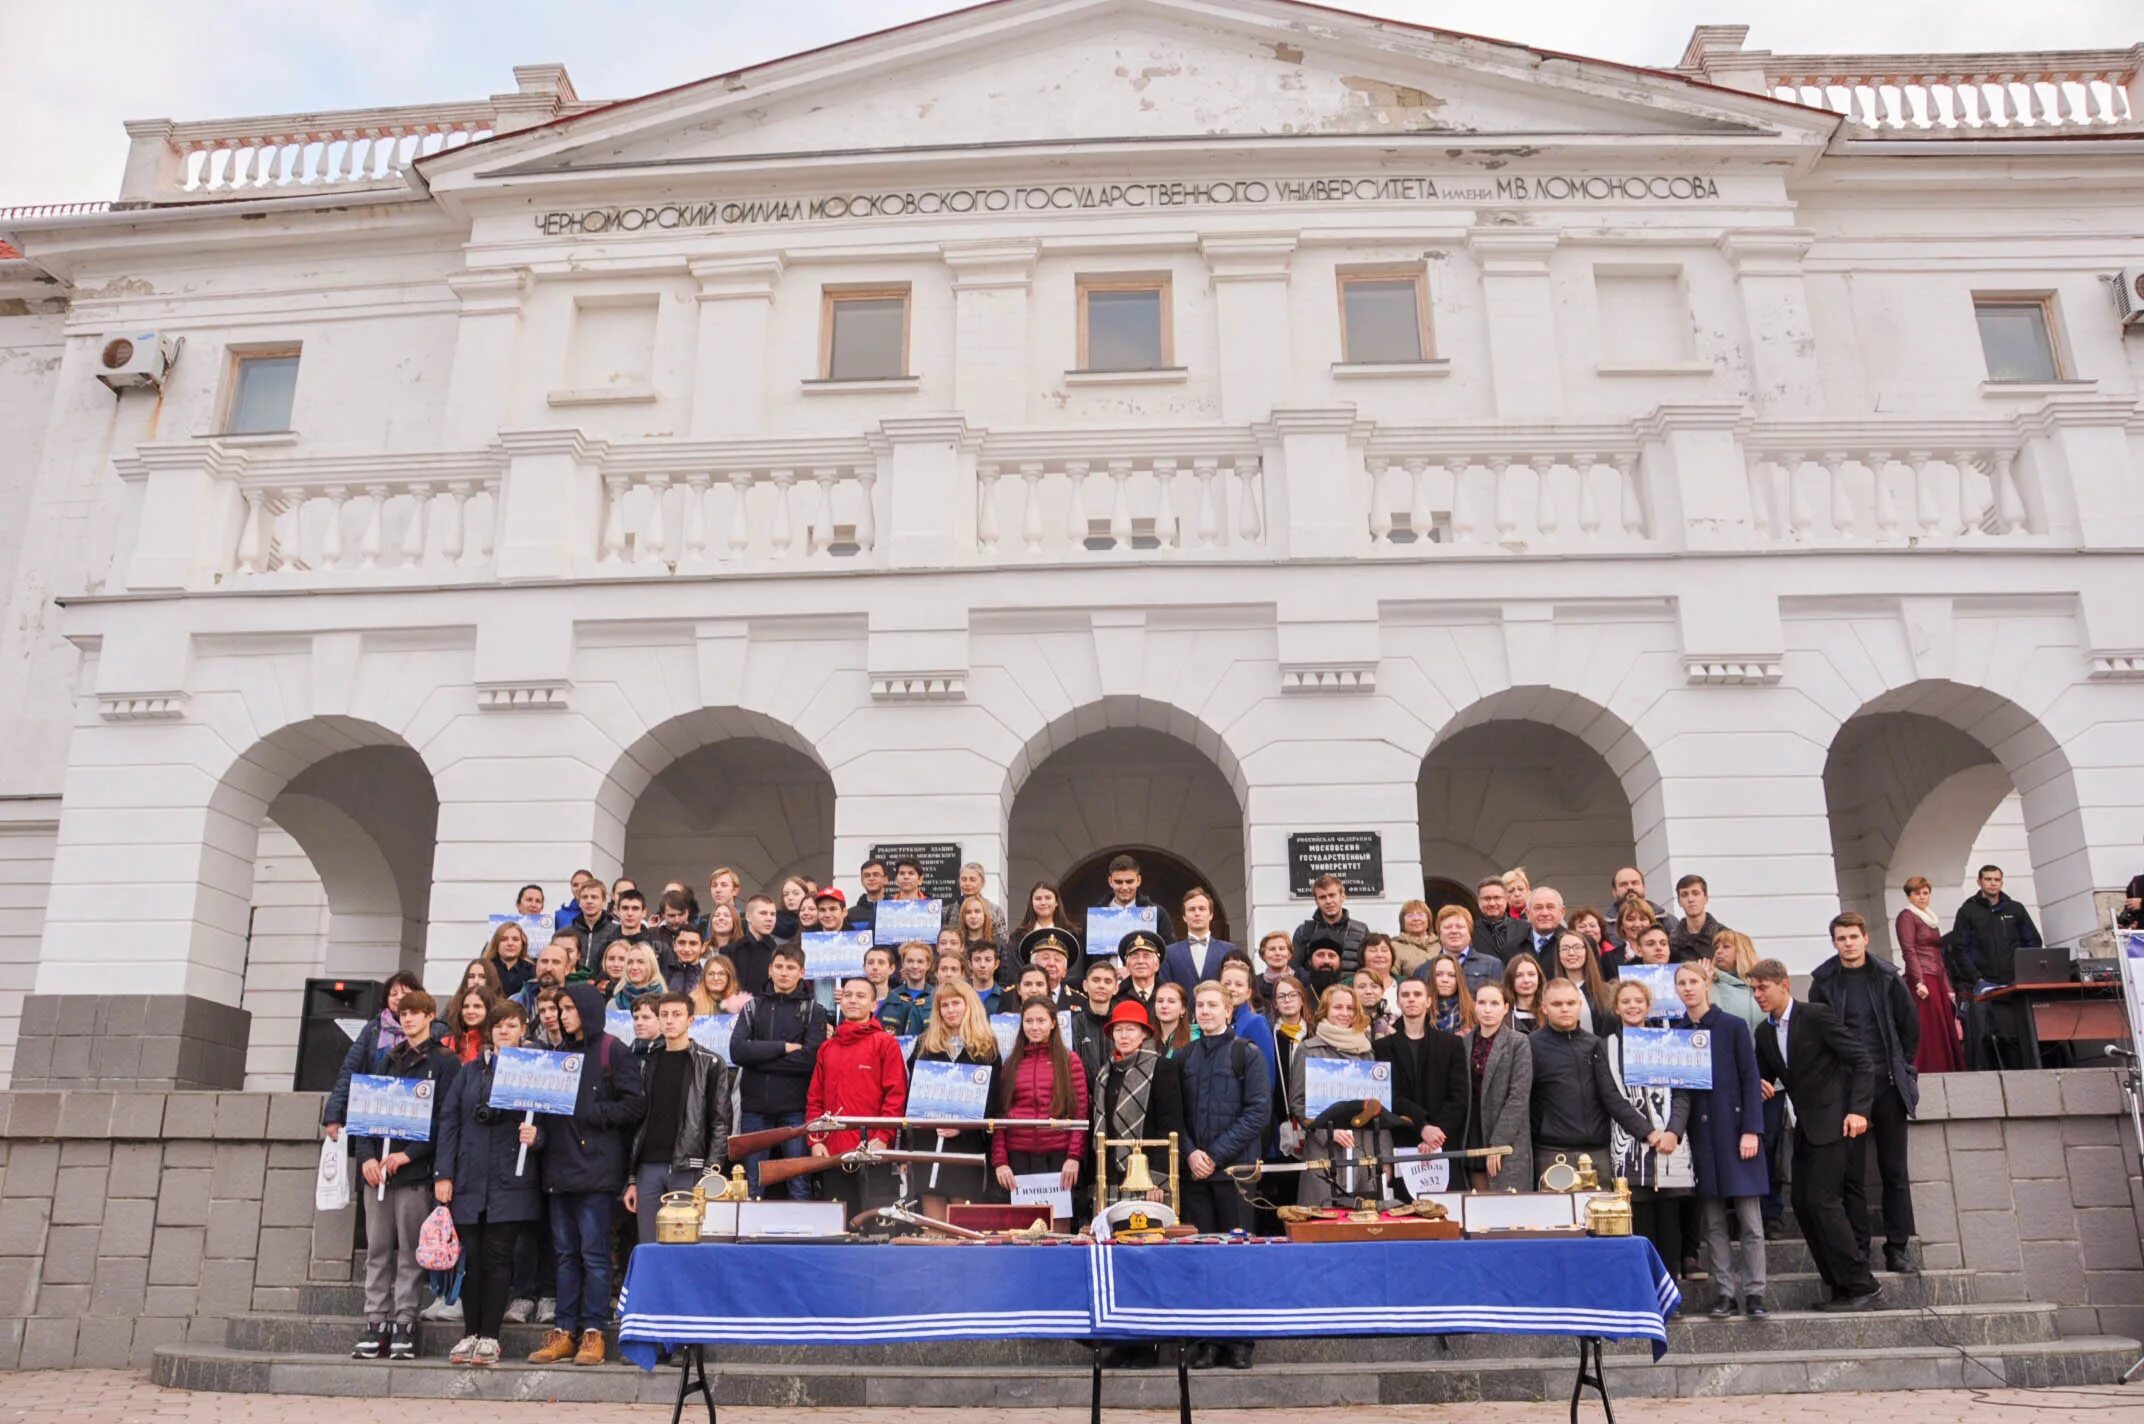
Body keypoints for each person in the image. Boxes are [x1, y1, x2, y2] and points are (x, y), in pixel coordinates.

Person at [1750, 958, 1881, 1310]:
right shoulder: (1764, 1033)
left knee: (1823, 1200)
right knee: (1803, 1204)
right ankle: (1839, 1286)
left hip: (1836, 1122)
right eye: (1754, 989)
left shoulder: (1816, 1016)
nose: (1758, 995)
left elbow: (1862, 1061)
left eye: (1763, 987)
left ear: (1784, 985)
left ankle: (1862, 1285)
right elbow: (1762, 1074)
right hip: (1804, 1127)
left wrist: (1858, 1110)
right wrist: (1757, 1082)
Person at [526, 983, 646, 1368]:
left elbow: (634, 1106)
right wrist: (538, 1136)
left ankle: (593, 1332)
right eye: (559, 1009)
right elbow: (547, 1110)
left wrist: (591, 1112)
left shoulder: (613, 1049)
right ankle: (564, 1330)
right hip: (558, 1170)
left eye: (570, 1008)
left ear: (588, 1010)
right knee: (564, 1255)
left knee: (594, 1256)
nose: (563, 1015)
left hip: (595, 1169)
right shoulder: (557, 1054)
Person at [349, 989, 459, 1362]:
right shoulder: (387, 1059)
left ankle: (404, 1322)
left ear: (430, 1016)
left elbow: (443, 1121)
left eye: (416, 1013)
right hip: (378, 1175)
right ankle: (375, 1320)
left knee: (411, 1252)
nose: (409, 1019)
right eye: (404, 1013)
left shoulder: (445, 1061)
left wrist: (409, 1155)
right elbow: (366, 1113)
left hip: (413, 1175)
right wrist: (365, 1157)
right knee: (377, 1250)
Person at [1808, 911, 1920, 1276]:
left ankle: (1897, 1247)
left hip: (1886, 1084)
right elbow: (1817, 1033)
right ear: (1834, 942)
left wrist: (1901, 1069)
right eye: (1841, 938)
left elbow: (1909, 1028)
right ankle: (1859, 1247)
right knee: (1850, 1175)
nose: (1848, 943)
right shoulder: (1823, 981)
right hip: (1844, 1090)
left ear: (1865, 938)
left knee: (1894, 1171)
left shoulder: (1887, 976)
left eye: (1853, 937)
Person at [434, 1001, 542, 1367]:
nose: (504, 1031)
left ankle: (491, 1337)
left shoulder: (533, 1071)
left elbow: (551, 1120)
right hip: (468, 1179)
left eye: (511, 1025)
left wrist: (537, 1137)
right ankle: (470, 1333)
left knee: (499, 1258)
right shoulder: (468, 1072)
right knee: (472, 1258)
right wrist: (443, 1174)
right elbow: (449, 1122)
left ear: (523, 1029)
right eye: (498, 1025)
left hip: (510, 1178)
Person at [1178, 984, 1271, 1370]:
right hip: (1196, 1175)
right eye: (1200, 1005)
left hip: (1234, 1174)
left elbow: (1257, 1113)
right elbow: (1174, 1115)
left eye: (1213, 1005)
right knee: (1203, 1258)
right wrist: (1190, 1153)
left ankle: (1239, 1341)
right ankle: (1207, 1341)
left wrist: (1214, 1156)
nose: (1206, 1011)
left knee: (1236, 1257)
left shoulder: (1246, 1054)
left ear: (1229, 1010)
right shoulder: (1184, 1056)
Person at [1674, 963, 1770, 1318]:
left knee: (1750, 1222)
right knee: (1713, 1223)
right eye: (1681, 983)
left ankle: (1756, 1292)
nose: (1688, 988)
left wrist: (1751, 1129)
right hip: (1701, 1138)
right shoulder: (1677, 1032)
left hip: (1736, 1133)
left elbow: (1750, 1078)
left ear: (1707, 984)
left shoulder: (1732, 1026)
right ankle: (1725, 1293)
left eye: (1693, 981)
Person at [1600, 978, 1692, 1279]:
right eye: (1625, 1001)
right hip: (1631, 1147)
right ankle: (1647, 1287)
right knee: (1641, 1223)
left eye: (1638, 1001)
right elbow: (1611, 1097)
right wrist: (1648, 1133)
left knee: (1670, 1223)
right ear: (1616, 1007)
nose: (1632, 1006)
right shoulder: (1607, 1047)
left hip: (1669, 1145)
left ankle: (1672, 1286)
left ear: (1648, 1005)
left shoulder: (1668, 1042)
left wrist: (1672, 1132)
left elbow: (1682, 1091)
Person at [1530, 980, 1665, 1185]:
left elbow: (1612, 1095)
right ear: (1544, 1007)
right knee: (1559, 1217)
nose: (1565, 1009)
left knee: (1604, 1216)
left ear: (1580, 1005)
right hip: (1553, 1151)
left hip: (1599, 1151)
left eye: (1570, 1003)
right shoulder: (1531, 1045)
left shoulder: (1596, 1044)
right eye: (1557, 1004)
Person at [624, 992, 730, 1244]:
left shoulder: (711, 1063)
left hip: (689, 1167)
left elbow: (720, 1122)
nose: (669, 1021)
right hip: (648, 1167)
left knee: (685, 1244)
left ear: (691, 1020)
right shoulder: (646, 1062)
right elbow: (635, 1122)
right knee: (648, 1244)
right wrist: (631, 1178)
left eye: (677, 1015)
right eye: (664, 1015)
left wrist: (710, 1170)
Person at [728, 944, 832, 1199]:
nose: (784, 973)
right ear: (770, 970)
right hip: (755, 1110)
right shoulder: (752, 1008)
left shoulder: (814, 1011)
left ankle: (802, 1238)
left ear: (802, 972)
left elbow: (809, 1060)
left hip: (796, 1110)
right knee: (753, 1184)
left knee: (798, 1182)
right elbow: (737, 1052)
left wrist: (758, 1057)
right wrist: (783, 1047)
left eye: (790, 967)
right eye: (779, 967)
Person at [805, 976, 910, 1218]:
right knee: (837, 1225)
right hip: (832, 1152)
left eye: (861, 996)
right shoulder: (827, 1048)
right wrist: (816, 1140)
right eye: (849, 995)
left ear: (874, 1005)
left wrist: (884, 1137)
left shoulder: (886, 1043)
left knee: (870, 1226)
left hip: (871, 1150)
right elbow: (814, 1099)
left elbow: (895, 1096)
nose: (853, 1000)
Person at [907, 980, 1001, 1217]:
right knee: (934, 1224)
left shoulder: (986, 1047)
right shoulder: (924, 1045)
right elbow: (912, 1095)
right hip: (930, 1142)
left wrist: (963, 1129)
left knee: (962, 1221)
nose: (950, 1010)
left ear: (969, 1005)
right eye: (944, 1005)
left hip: (966, 1146)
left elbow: (993, 1100)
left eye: (956, 1003)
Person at [1289, 983, 1387, 1209]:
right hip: (1324, 1151)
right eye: (1338, 1008)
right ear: (1325, 1011)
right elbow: (1298, 1102)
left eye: (1350, 1008)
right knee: (1322, 1220)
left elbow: (1379, 1107)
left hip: (1362, 1150)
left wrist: (1383, 1155)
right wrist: (1328, 1132)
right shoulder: (1308, 1049)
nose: (1344, 1013)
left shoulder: (1367, 1051)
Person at [992, 998, 1090, 1207]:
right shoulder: (1011, 1063)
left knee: (1058, 1223)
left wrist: (1073, 1157)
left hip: (1058, 1156)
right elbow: (1000, 1114)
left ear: (1053, 1023)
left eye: (1041, 1021)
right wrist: (1000, 1162)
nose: (1034, 1027)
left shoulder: (1069, 1061)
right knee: (1023, 1227)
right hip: (1019, 1156)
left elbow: (1080, 1113)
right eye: (1028, 1021)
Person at [1376, 978, 1469, 1175]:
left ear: (1428, 1001)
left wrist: (1436, 1133)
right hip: (1403, 1139)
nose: (1411, 999)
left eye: (1417, 995)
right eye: (1405, 995)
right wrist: (1422, 1127)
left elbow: (1459, 1095)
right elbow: (1390, 1096)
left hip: (1444, 1140)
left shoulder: (1451, 1044)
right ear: (1399, 1002)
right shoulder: (1383, 1047)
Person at [323, 971, 426, 1139]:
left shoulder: (432, 1030)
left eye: (405, 993)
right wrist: (334, 1114)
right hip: (373, 1115)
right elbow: (349, 1070)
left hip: (413, 1120)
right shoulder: (372, 1030)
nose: (398, 998)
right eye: (393, 994)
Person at [1462, 982, 1532, 1190]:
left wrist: (1499, 1142)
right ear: (1474, 1006)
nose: (1487, 1009)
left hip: (1507, 1135)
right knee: (1476, 1207)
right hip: (1473, 1132)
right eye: (1482, 1002)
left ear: (1505, 1008)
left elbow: (1518, 1096)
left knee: (1508, 1208)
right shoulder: (1464, 1042)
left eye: (1494, 1003)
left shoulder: (1518, 1042)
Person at [1896, 876, 1966, 1075]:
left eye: (1925, 893)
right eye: (1917, 893)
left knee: (1941, 1024)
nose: (1922, 897)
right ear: (1909, 896)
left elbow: (1938, 956)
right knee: (1927, 1025)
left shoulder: (1930, 918)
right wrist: (1918, 981)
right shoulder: (1907, 917)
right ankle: (1926, 1067)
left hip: (1936, 977)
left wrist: (1948, 987)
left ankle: (1945, 1067)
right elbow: (1909, 950)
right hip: (1922, 978)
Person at [1949, 864, 2043, 989]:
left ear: (2001, 883)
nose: (1993, 883)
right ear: (1979, 882)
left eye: (1997, 880)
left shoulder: (2015, 909)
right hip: (1983, 985)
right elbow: (1960, 949)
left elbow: (2033, 942)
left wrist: (2024, 973)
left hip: (2015, 983)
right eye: (1988, 879)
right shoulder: (1967, 911)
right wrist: (1977, 978)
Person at [1291, 874, 1370, 974]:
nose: (1328, 901)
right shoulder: (1303, 931)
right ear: (1316, 901)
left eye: (1332, 895)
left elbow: (1369, 969)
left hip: (1350, 988)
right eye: (1322, 897)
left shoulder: (1361, 931)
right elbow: (1294, 969)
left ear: (1342, 896)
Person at [1162, 885, 1233, 995]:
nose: (1197, 913)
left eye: (1202, 909)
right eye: (1191, 909)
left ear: (1211, 915)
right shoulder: (1169, 953)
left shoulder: (1228, 950)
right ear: (1184, 917)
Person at [1416, 904, 1500, 994]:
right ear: (1439, 933)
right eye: (1448, 927)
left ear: (1470, 932)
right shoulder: (1424, 970)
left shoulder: (1492, 966)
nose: (1454, 931)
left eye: (1460, 927)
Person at [1099, 853, 1179, 946]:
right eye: (1119, 882)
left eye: (1129, 881)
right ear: (1110, 881)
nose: (1124, 887)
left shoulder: (1158, 914)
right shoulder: (1093, 916)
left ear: (1138, 880)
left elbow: (1169, 953)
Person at [1068, 954, 1124, 1082]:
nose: (1101, 986)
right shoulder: (1074, 1025)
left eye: (1108, 981)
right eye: (1096, 980)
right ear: (1085, 985)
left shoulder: (1122, 1024)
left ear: (1116, 988)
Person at [1549, 929, 1609, 1031]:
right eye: (1564, 949)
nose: (1571, 953)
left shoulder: (1607, 991)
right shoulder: (1550, 992)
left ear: (1587, 951)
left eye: (1577, 947)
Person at [1668, 875, 1732, 964]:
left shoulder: (1725, 936)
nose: (1690, 899)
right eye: (1684, 895)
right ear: (1679, 901)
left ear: (1706, 898)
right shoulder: (1671, 940)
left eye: (1695, 893)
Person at [879, 941, 937, 1036]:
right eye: (910, 961)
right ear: (903, 963)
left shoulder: (936, 997)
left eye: (920, 961)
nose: (915, 966)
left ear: (928, 965)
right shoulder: (891, 997)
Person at [1018, 927, 1081, 1008]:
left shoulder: (1079, 1001)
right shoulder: (1010, 997)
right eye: (1045, 958)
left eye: (1057, 959)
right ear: (1032, 965)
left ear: (1065, 972)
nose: (1051, 963)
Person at [1471, 878, 1525, 959]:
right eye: (1487, 898)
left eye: (1497, 898)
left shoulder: (1525, 928)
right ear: (1479, 902)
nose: (1492, 903)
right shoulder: (1470, 931)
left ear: (1506, 900)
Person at [1421, 954, 1475, 1034]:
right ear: (1431, 978)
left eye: (1451, 975)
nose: (1445, 980)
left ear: (1459, 979)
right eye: (1438, 974)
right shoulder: (1420, 1010)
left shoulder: (1474, 1011)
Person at [611, 942, 667, 1013]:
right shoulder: (614, 1004)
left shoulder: (666, 1004)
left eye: (641, 962)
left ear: (652, 965)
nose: (634, 967)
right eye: (630, 962)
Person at [486, 921, 536, 998]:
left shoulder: (532, 970)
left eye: (515, 939)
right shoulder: (486, 969)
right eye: (504, 939)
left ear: (522, 944)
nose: (510, 943)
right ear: (496, 943)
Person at [1501, 951, 1546, 1034]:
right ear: (1510, 980)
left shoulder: (1548, 1012)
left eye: (1531, 974)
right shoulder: (1503, 1015)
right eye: (1519, 975)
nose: (1526, 980)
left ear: (1539, 978)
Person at [1117, 933, 1163, 1010]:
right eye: (1135, 957)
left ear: (1157, 965)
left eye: (1146, 956)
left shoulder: (1169, 995)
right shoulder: (1116, 995)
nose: (1140, 961)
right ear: (1127, 966)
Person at [1391, 901, 1438, 976]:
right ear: (1403, 922)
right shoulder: (1394, 947)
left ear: (1428, 919)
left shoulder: (1441, 943)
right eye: (1410, 916)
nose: (1416, 919)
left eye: (1420, 915)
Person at [1519, 887, 1566, 961]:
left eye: (1550, 907)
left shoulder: (1573, 944)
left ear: (1562, 912)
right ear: (1528, 913)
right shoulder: (1514, 945)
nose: (1544, 913)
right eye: (1538, 908)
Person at [842, 858, 888, 932]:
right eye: (867, 875)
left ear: (886, 879)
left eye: (876, 875)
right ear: (862, 881)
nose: (871, 878)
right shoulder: (850, 914)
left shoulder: (896, 911)